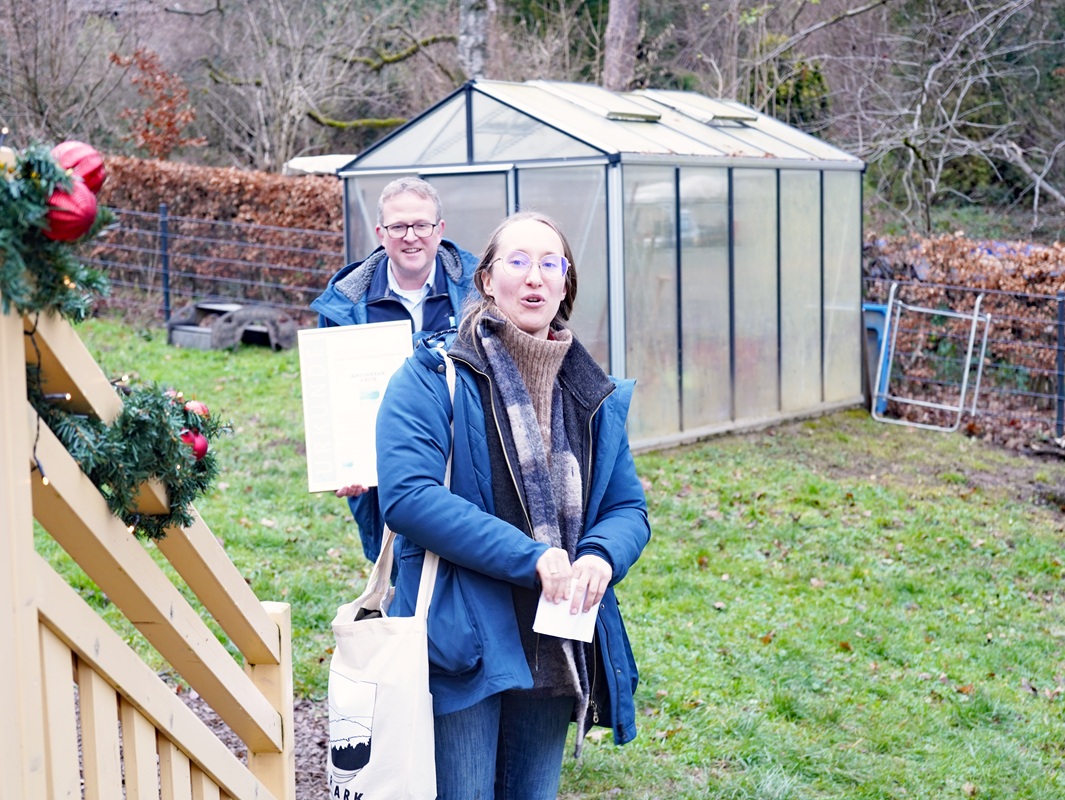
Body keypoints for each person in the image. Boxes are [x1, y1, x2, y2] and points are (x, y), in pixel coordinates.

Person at [375, 211, 650, 799]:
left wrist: (600, 557)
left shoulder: (591, 394)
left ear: (566, 283)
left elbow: (628, 508)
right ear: (486, 280)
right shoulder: (434, 375)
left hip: (555, 641)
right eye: (518, 262)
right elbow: (409, 497)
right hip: (462, 641)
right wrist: (532, 557)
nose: (535, 278)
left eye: (550, 264)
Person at [310, 177, 478, 562]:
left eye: (421, 225)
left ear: (440, 230)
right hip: (387, 472)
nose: (411, 237)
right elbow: (334, 400)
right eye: (398, 227)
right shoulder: (347, 306)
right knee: (397, 579)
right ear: (381, 234)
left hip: (464, 460)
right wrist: (341, 462)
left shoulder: (478, 291)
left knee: (468, 566)